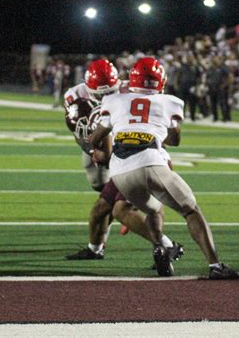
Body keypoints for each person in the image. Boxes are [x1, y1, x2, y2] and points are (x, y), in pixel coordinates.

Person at [90, 57, 239, 279]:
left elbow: (96, 138)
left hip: (120, 171)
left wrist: (102, 150)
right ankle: (215, 266)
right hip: (150, 161)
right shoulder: (170, 101)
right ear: (160, 81)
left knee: (152, 209)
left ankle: (160, 245)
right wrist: (154, 127)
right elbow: (175, 140)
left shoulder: (114, 100)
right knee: (190, 209)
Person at [64, 59, 182, 261]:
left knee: (122, 210)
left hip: (138, 158)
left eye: (109, 91)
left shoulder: (131, 93)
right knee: (101, 208)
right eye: (100, 94)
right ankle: (95, 249)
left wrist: (102, 152)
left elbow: (164, 135)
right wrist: (93, 148)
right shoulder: (76, 97)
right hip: (124, 155)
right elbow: (84, 134)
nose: (105, 98)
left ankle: (166, 246)